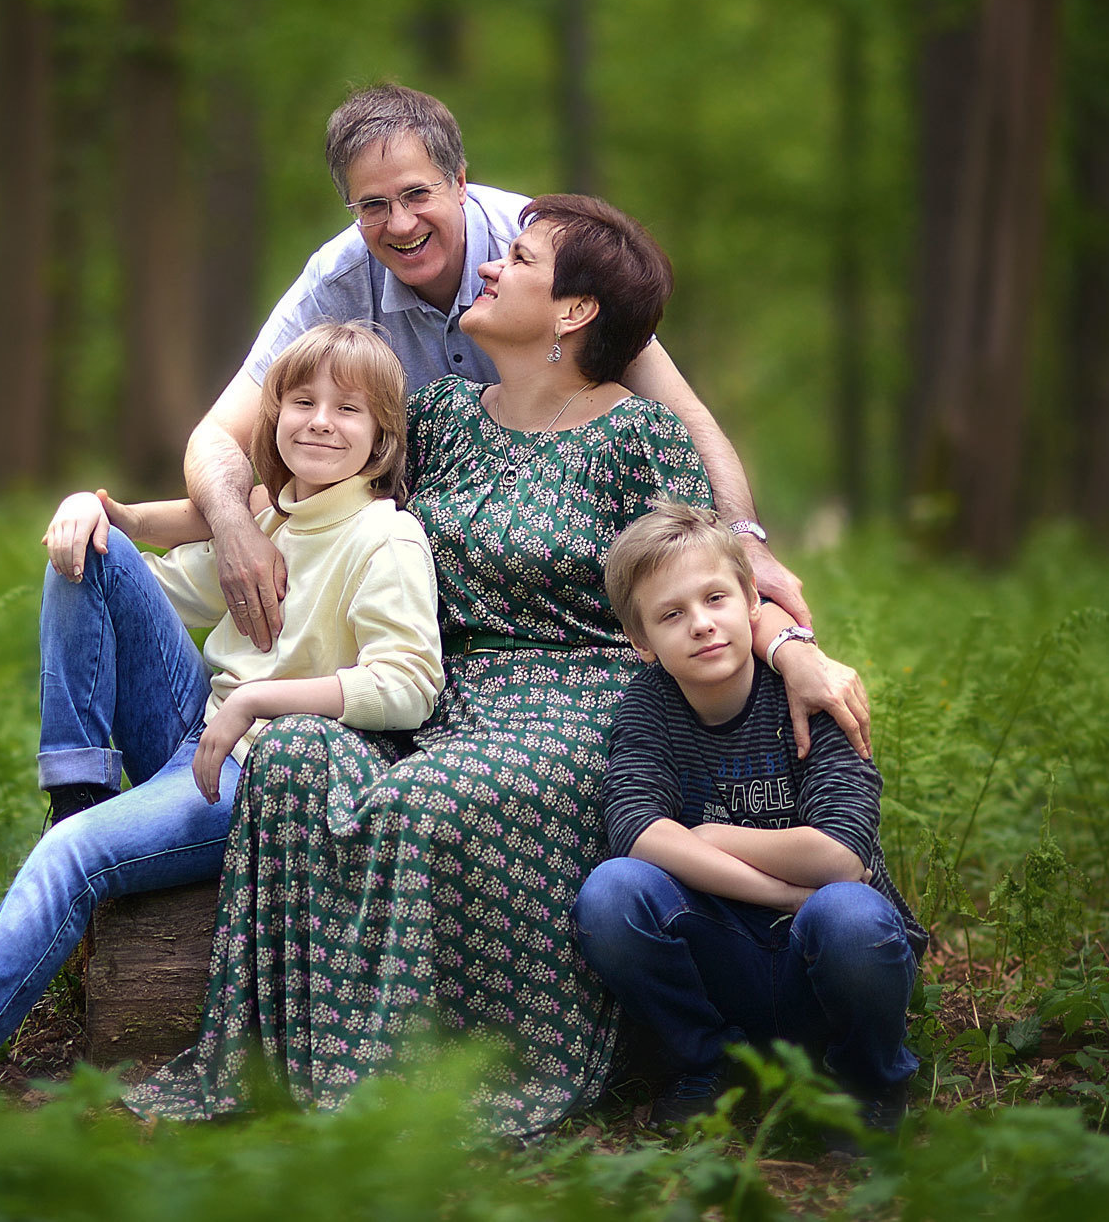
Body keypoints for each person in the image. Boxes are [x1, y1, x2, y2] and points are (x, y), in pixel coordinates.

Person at [130, 195, 815, 1137]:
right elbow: (304, 492)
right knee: (291, 761)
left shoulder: (638, 438)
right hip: (438, 697)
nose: (491, 267)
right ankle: (293, 1069)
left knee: (426, 801)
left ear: (572, 313)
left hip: (580, 705)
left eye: (520, 260)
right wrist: (122, 518)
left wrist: (790, 646)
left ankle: (423, 1091)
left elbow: (711, 583)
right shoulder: (445, 415)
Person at [184, 85, 866, 759]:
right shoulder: (348, 297)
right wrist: (227, 524)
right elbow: (234, 446)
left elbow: (685, 433)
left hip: (569, 682)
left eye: (418, 194)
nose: (398, 223)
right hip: (430, 653)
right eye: (373, 206)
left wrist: (754, 561)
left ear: (459, 181)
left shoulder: (547, 250)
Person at [0, 324, 443, 1099]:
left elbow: (410, 682)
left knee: (71, 857)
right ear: (273, 414)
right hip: (193, 728)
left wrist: (258, 698)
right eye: (303, 401)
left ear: (381, 439)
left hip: (254, 774)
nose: (319, 420)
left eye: (347, 409)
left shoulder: (386, 536)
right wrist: (92, 512)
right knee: (84, 552)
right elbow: (157, 591)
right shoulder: (270, 515)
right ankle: (78, 787)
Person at [572, 500, 926, 1132]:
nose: (702, 625)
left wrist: (709, 836)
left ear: (753, 605)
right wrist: (782, 891)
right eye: (671, 615)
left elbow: (840, 857)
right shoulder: (647, 708)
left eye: (716, 599)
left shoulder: (809, 697)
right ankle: (711, 1063)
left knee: (848, 911)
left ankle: (864, 1082)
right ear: (642, 642)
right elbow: (639, 834)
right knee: (612, 894)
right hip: (724, 951)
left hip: (825, 954)